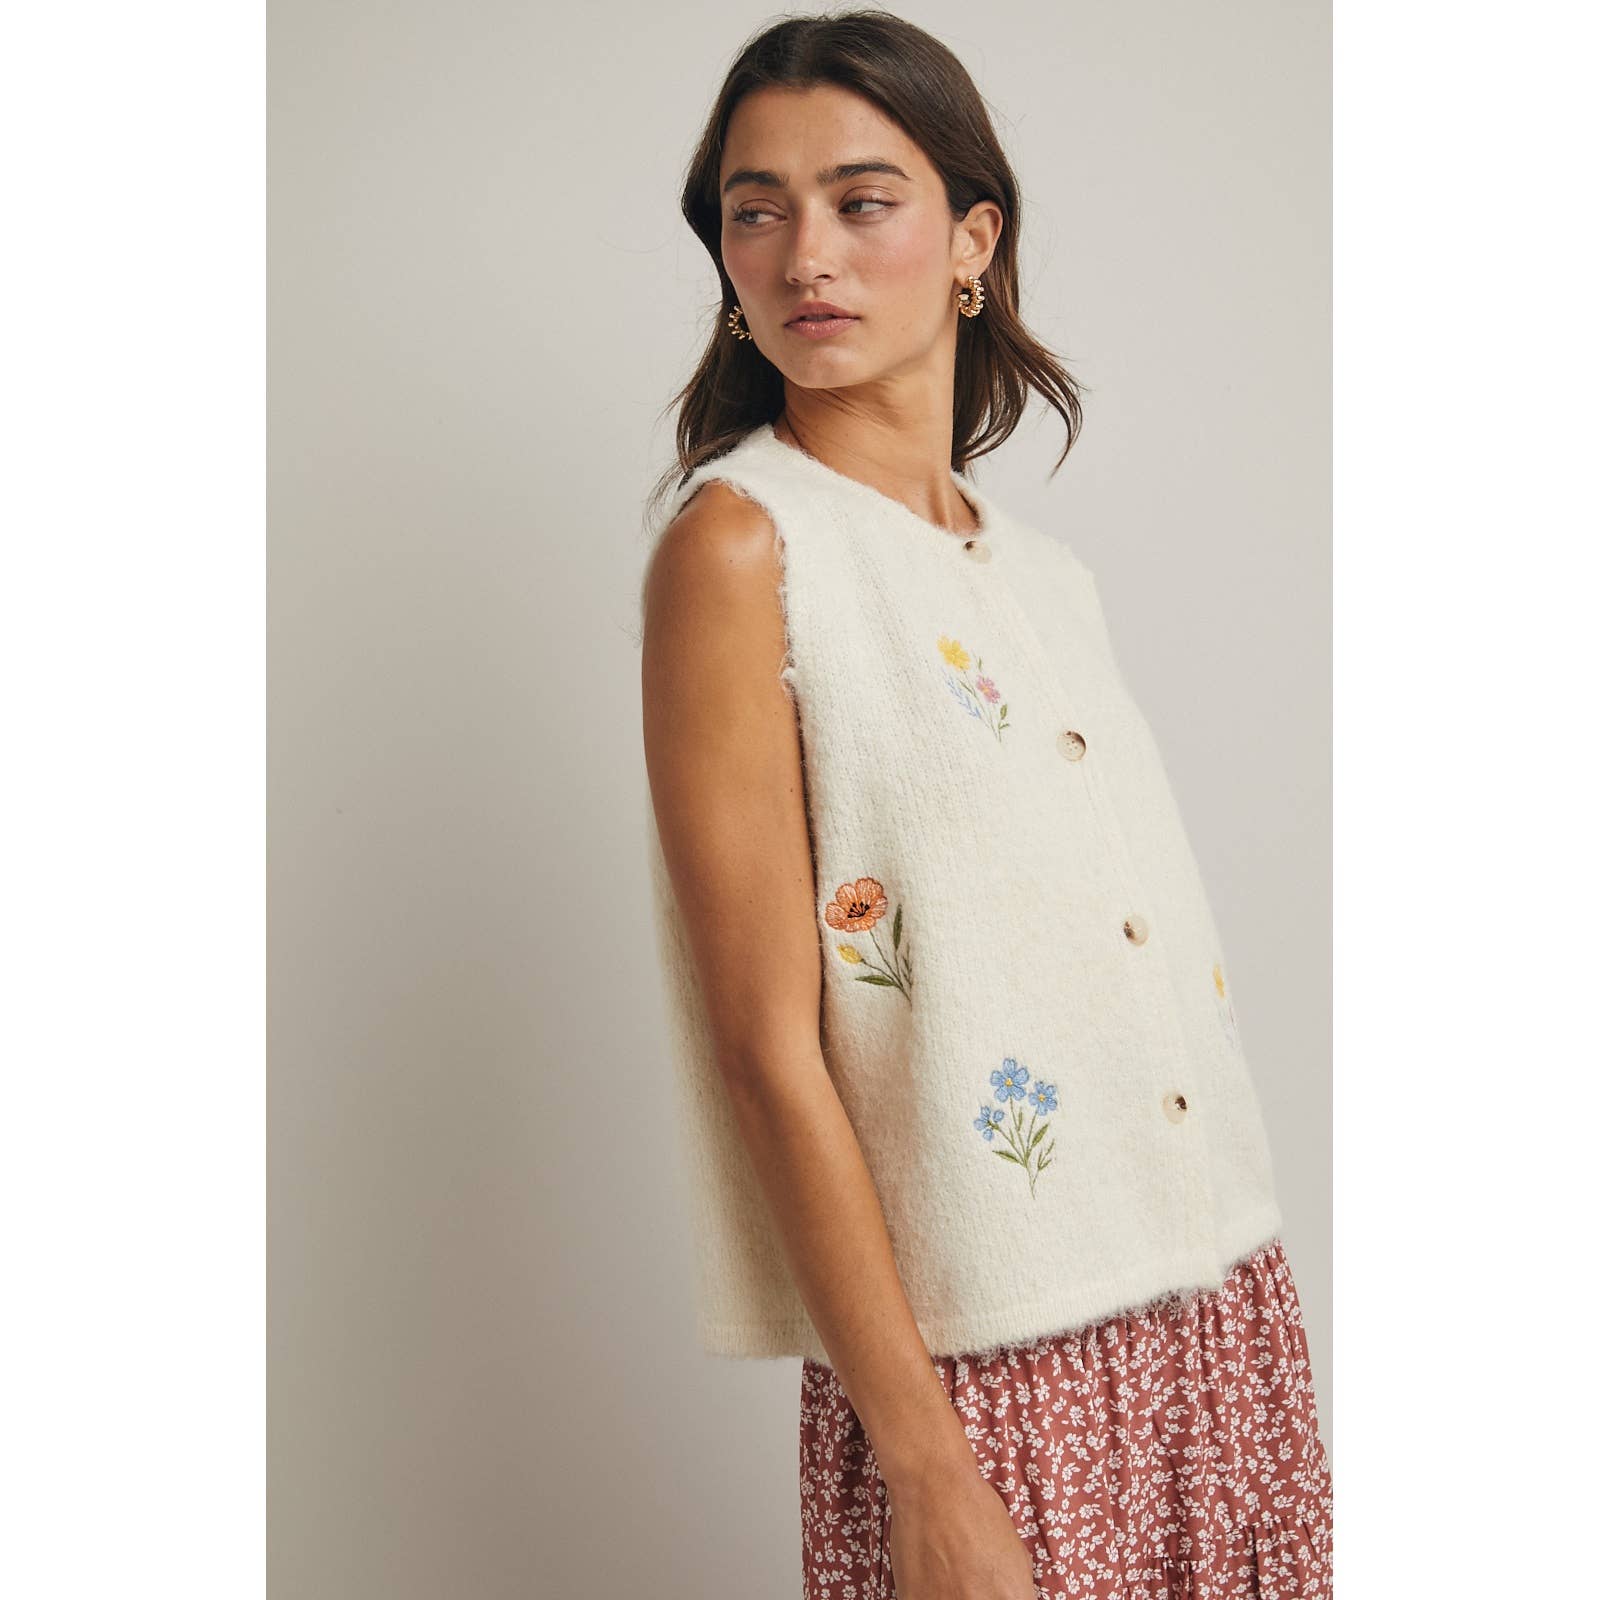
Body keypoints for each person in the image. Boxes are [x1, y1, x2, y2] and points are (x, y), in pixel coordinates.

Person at [637, 12, 1332, 1598]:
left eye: (861, 200)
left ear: (972, 240)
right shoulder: (742, 548)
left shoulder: (1042, 575)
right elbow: (765, 1050)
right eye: (756, 209)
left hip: (1221, 1315)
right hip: (991, 1370)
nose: (805, 254)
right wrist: (928, 1468)